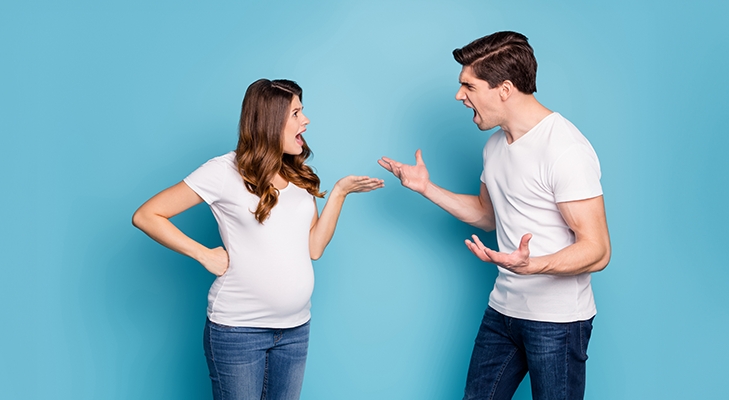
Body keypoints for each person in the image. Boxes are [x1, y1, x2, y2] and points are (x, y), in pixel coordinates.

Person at [378, 31, 611, 400]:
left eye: (468, 85)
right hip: (503, 309)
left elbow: (597, 249)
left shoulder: (565, 148)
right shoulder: (495, 145)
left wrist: (534, 266)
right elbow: (489, 214)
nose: (459, 95)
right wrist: (427, 188)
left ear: (504, 89)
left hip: (557, 321)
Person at [132, 79, 383, 400]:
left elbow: (314, 248)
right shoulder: (224, 171)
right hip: (238, 331)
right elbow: (147, 215)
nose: (305, 121)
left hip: (295, 329)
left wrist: (340, 192)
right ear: (270, 121)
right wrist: (203, 254)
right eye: (296, 113)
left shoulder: (297, 172)